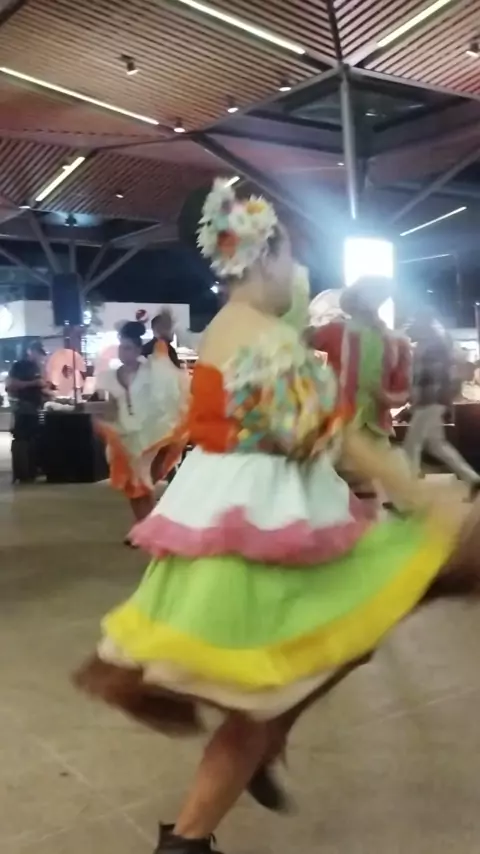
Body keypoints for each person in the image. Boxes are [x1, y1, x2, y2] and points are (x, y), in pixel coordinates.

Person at [75, 180, 473, 854]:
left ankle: (253, 757)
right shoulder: (264, 339)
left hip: (243, 511)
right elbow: (331, 433)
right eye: (290, 253)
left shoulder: (228, 329)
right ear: (262, 253)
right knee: (282, 678)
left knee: (335, 643)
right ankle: (191, 837)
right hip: (263, 525)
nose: (298, 269)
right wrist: (422, 494)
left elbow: (294, 429)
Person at [307, 279, 412, 516]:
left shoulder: (397, 342)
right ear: (353, 301)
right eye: (366, 295)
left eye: (377, 295)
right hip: (336, 424)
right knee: (323, 474)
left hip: (374, 426)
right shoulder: (332, 332)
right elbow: (300, 351)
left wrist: (385, 396)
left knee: (390, 479)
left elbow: (403, 391)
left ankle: (401, 513)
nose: (371, 301)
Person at [95, 321, 188, 528]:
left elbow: (170, 390)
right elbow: (109, 405)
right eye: (121, 347)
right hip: (124, 435)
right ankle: (142, 526)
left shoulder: (150, 372)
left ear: (138, 350)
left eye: (128, 348)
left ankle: (148, 528)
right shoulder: (110, 376)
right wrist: (105, 421)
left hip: (148, 434)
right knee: (132, 486)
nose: (123, 352)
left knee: (143, 484)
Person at [404, 316, 480, 499]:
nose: (411, 332)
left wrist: (418, 402)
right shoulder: (432, 345)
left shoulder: (431, 347)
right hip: (432, 402)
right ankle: (472, 479)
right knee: (437, 445)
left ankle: (408, 496)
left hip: (429, 402)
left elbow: (431, 379)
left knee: (411, 446)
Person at [6, 340, 51, 482]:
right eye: (38, 353)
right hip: (23, 408)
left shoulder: (37, 367)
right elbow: (11, 385)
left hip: (36, 408)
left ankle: (32, 470)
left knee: (34, 439)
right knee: (22, 440)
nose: (41, 357)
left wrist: (48, 392)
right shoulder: (19, 366)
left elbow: (40, 387)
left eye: (42, 354)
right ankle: (22, 473)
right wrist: (34, 383)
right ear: (30, 351)